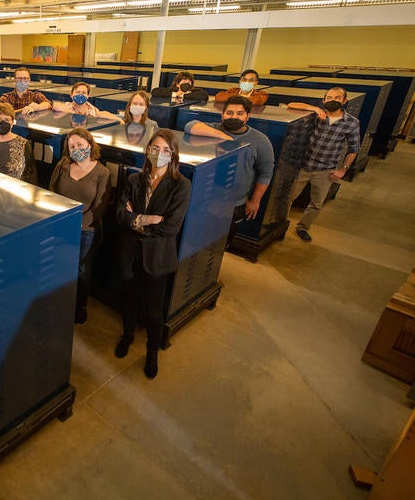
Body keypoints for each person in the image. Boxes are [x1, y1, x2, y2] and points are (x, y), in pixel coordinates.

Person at [114, 129, 191, 379]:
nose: (159, 154)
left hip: (157, 257)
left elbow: (170, 226)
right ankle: (127, 336)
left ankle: (151, 353)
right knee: (128, 300)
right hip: (129, 253)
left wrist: (134, 219)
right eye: (155, 149)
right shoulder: (134, 180)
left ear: (174, 155)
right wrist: (148, 219)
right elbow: (119, 214)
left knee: (154, 311)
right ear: (147, 151)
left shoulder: (180, 185)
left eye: (166, 151)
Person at [184, 95, 275, 243]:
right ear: (222, 115)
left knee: (221, 242)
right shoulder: (213, 129)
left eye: (240, 114)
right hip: (204, 199)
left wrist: (255, 201)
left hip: (235, 204)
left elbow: (266, 173)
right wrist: (224, 137)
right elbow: (190, 125)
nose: (234, 117)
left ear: (248, 116)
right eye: (230, 113)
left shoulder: (261, 140)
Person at [49, 128, 111, 324]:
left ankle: (80, 306)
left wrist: (75, 223)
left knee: (82, 270)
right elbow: (50, 191)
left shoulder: (103, 172)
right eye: (72, 146)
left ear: (90, 145)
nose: (76, 149)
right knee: (60, 265)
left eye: (80, 145)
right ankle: (61, 301)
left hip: (86, 231)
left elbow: (99, 207)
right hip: (60, 226)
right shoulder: (63, 164)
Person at [284, 87, 360, 242]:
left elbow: (354, 149)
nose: (333, 100)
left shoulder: (351, 123)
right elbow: (291, 105)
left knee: (316, 203)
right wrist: (314, 108)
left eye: (337, 98)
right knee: (287, 198)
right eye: (329, 97)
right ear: (324, 100)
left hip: (326, 170)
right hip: (304, 166)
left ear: (344, 101)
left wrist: (343, 170)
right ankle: (280, 225)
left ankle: (302, 228)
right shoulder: (315, 115)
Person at [53, 81, 120, 120]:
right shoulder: (68, 106)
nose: (80, 95)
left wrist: (119, 120)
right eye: (77, 92)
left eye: (83, 93)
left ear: (88, 96)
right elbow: (55, 105)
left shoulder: (93, 110)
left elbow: (102, 114)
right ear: (71, 95)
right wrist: (74, 113)